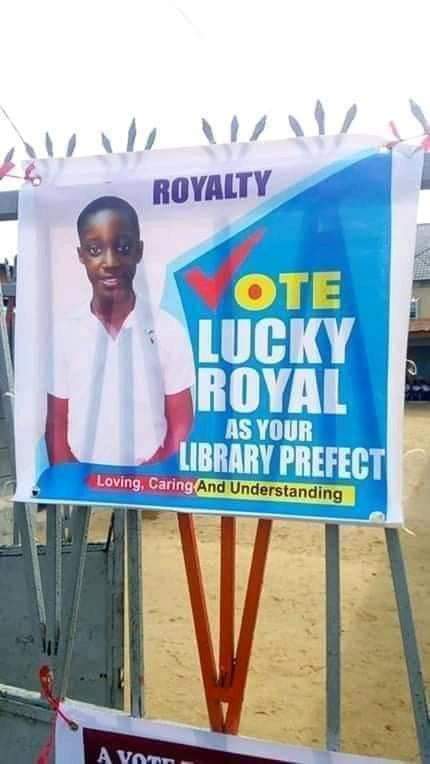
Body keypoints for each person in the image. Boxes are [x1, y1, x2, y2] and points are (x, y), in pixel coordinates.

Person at [45, 195, 194, 467]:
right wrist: (73, 482)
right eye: (94, 250)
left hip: (148, 481)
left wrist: (155, 477)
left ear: (139, 250)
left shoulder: (168, 330)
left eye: (123, 247)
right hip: (83, 483)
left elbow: (181, 423)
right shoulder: (65, 333)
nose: (110, 261)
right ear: (81, 256)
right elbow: (56, 423)